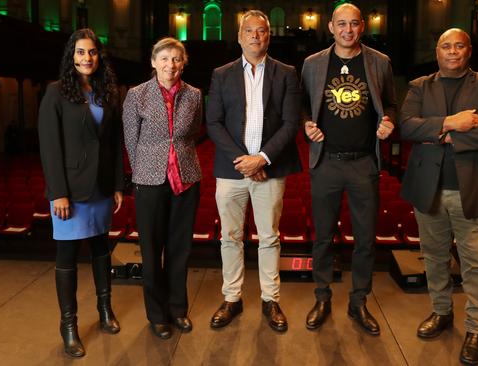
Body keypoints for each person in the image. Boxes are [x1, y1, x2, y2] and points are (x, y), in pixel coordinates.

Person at [399, 28, 478, 365]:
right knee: (433, 259)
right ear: (437, 51)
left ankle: (476, 329)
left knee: (475, 263)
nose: (452, 51)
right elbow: (406, 126)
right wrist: (451, 124)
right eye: (445, 46)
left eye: (458, 46)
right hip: (427, 189)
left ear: (468, 50)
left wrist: (442, 136)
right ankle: (441, 312)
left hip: (470, 190)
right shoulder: (420, 86)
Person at [301, 3, 396, 335]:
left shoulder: (379, 62)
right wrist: (306, 124)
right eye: (341, 24)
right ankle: (323, 297)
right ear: (330, 27)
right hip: (326, 162)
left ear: (363, 26)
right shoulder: (313, 64)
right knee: (323, 238)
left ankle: (359, 302)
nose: (348, 30)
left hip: (363, 163)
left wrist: (389, 121)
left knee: (366, 240)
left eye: (354, 24)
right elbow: (301, 104)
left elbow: (392, 103)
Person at [206, 9, 301, 333]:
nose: (255, 36)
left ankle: (270, 299)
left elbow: (291, 124)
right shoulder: (221, 74)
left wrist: (261, 158)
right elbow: (213, 123)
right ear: (239, 36)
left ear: (268, 36)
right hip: (231, 170)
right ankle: (232, 298)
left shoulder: (287, 73)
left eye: (261, 31)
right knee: (230, 237)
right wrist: (244, 161)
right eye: (249, 31)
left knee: (269, 238)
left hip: (269, 169)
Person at [38, 28, 124, 358]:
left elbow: (114, 144)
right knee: (68, 260)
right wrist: (57, 192)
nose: (86, 58)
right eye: (80, 52)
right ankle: (69, 326)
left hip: (101, 187)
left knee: (102, 252)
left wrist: (117, 184)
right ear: (71, 56)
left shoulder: (108, 92)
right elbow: (49, 147)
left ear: (99, 56)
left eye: (91, 52)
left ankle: (105, 311)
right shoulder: (56, 93)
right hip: (70, 192)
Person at [122, 37, 202, 340]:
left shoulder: (194, 95)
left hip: (186, 177)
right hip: (150, 180)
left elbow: (193, 133)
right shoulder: (136, 95)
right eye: (164, 59)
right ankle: (157, 316)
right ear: (154, 62)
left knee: (180, 250)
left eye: (177, 59)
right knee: (152, 250)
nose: (171, 65)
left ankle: (178, 309)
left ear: (184, 63)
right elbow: (131, 141)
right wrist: (147, 167)